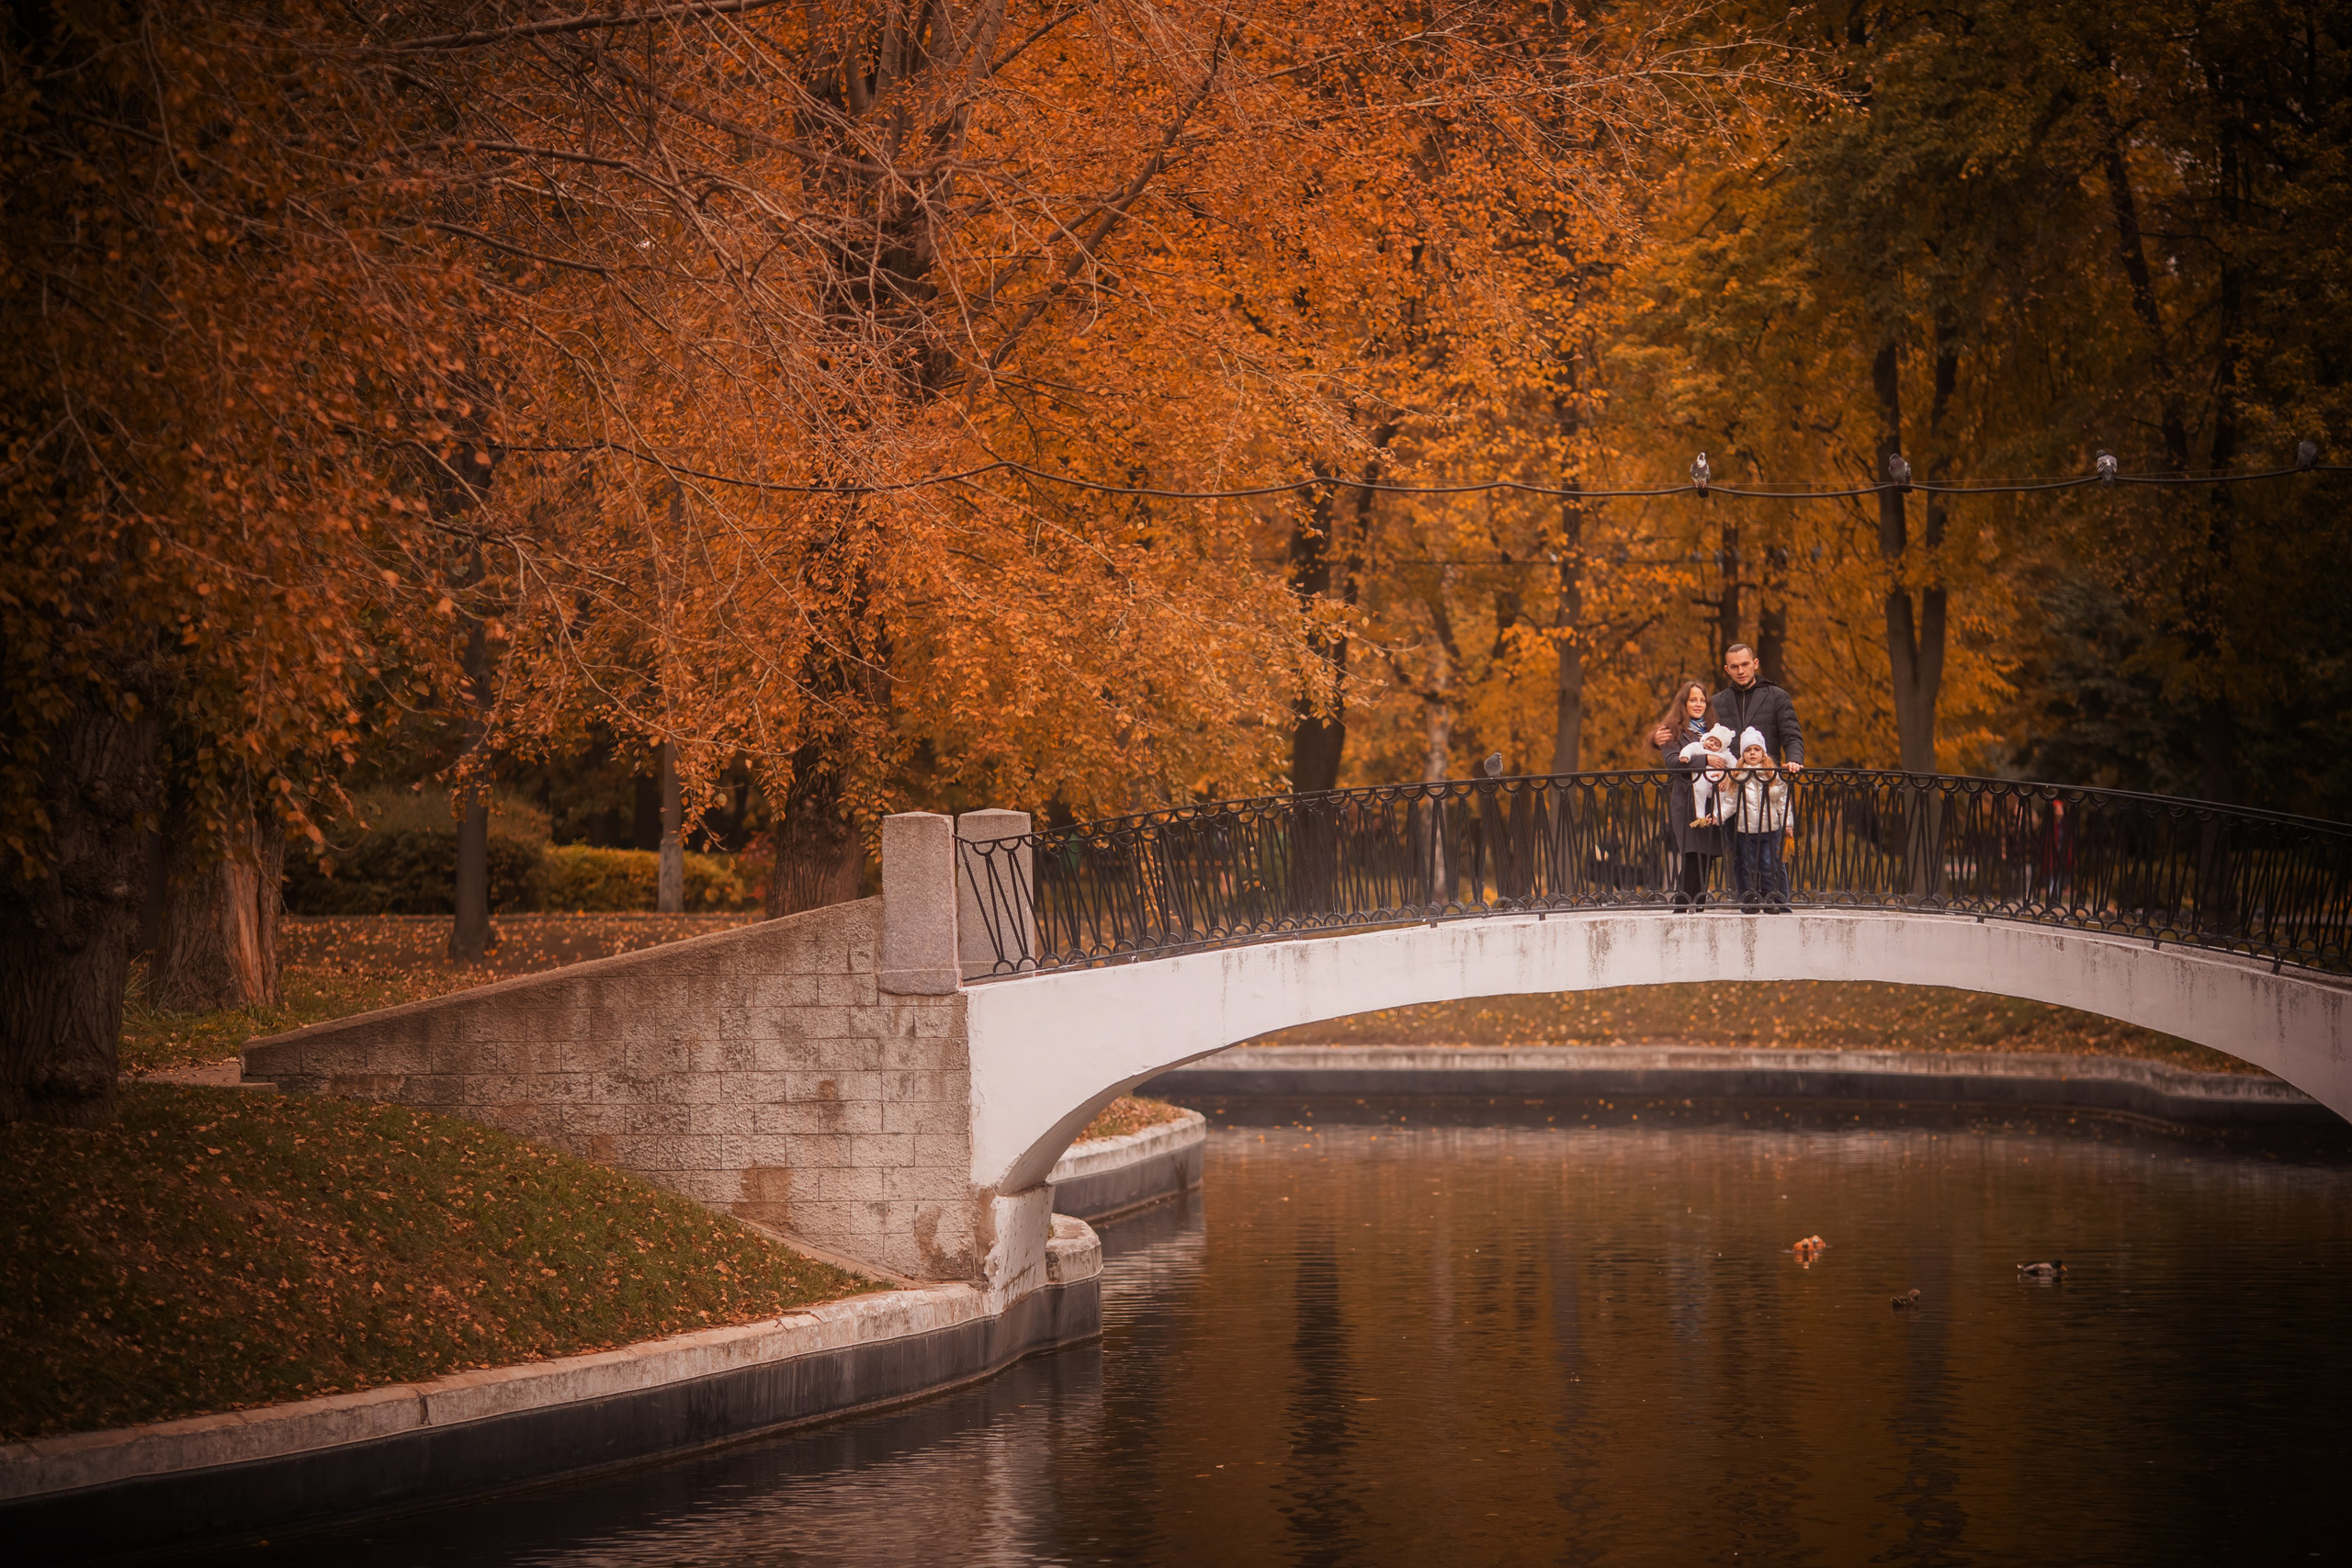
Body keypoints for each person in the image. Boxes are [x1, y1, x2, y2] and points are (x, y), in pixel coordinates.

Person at [1649, 679, 1726, 908]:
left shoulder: (1714, 730)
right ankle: (1683, 906)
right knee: (1693, 852)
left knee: (1709, 854)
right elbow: (1673, 762)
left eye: (1702, 700)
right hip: (1687, 799)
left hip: (1712, 798)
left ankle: (1698, 904)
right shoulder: (1673, 730)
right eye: (1693, 699)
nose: (1698, 704)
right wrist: (1706, 759)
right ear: (1684, 703)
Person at [1721, 728, 1792, 912]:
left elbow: (1782, 803)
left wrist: (1788, 825)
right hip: (1746, 830)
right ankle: (1749, 901)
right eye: (1748, 750)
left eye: (1756, 749)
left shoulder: (1772, 775)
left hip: (1770, 829)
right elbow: (1730, 802)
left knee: (1769, 865)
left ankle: (1771, 900)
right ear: (1743, 755)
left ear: (1763, 753)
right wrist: (1716, 816)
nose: (1752, 753)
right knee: (1748, 866)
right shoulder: (1738, 776)